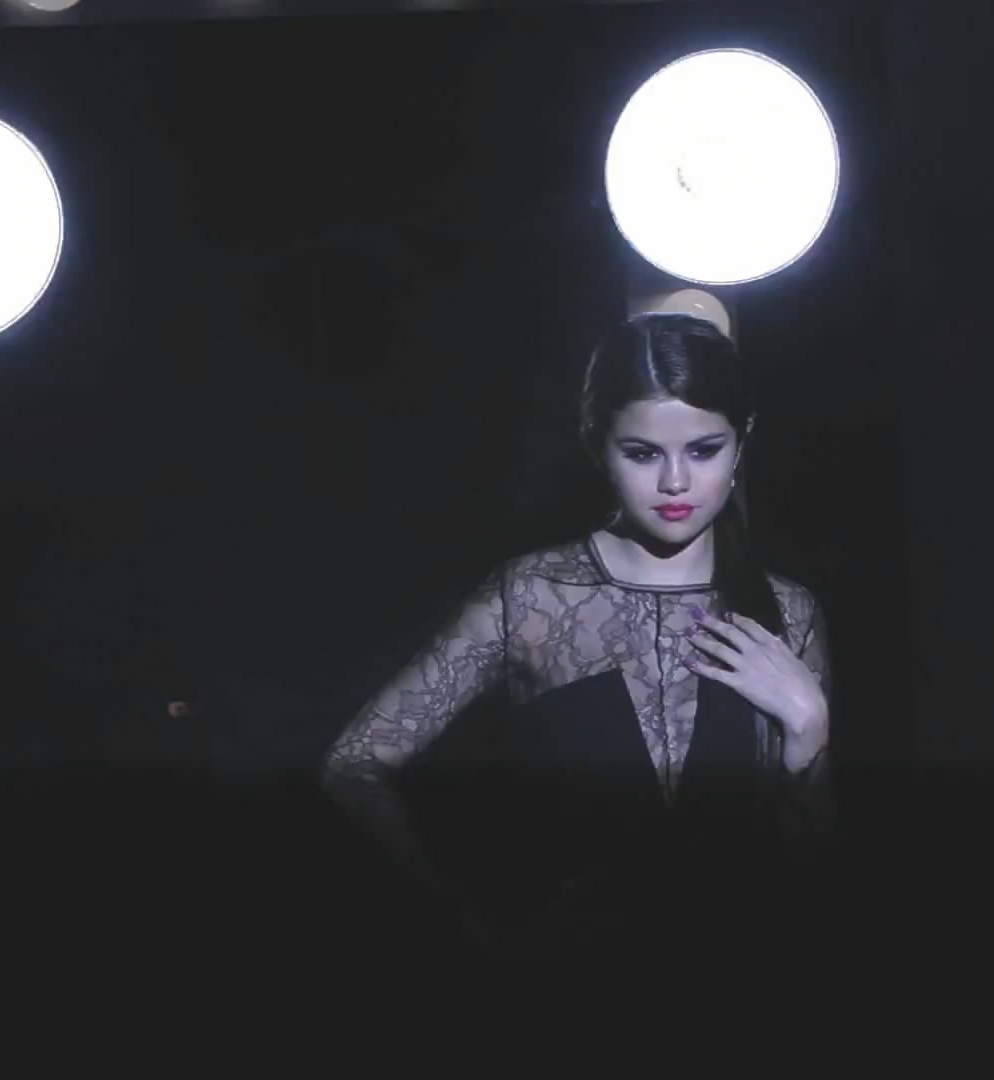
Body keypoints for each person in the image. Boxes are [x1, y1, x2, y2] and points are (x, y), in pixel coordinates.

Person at [318, 312, 834, 999]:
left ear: (741, 443)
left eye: (704, 450)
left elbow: (814, 874)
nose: (675, 481)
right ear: (598, 446)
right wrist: (467, 925)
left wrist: (809, 733)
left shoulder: (787, 610)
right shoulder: (532, 596)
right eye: (643, 454)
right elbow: (353, 765)